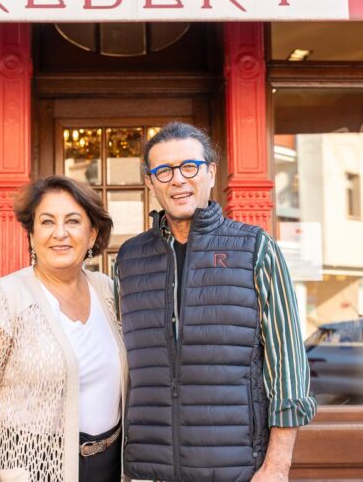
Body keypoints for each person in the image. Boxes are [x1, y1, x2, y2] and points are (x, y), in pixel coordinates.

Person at [115, 122, 317, 482]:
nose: (177, 180)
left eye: (189, 167)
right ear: (150, 182)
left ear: (210, 172)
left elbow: (287, 365)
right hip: (149, 470)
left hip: (237, 469)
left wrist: (277, 465)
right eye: (163, 171)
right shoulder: (129, 259)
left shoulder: (255, 248)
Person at [0, 175, 127, 482]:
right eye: (47, 222)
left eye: (73, 221)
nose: (60, 233)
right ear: (32, 235)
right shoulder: (3, 298)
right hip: (33, 467)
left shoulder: (109, 292)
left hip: (110, 466)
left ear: (92, 234)